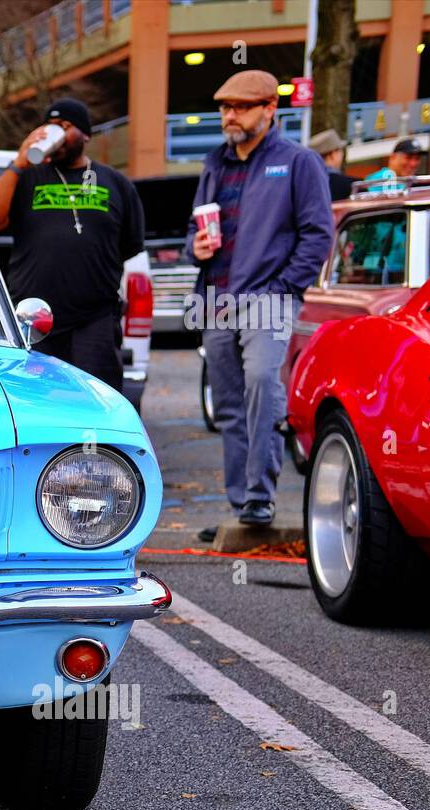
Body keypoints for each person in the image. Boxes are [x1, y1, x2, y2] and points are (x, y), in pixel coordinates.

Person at [187, 69, 333, 538]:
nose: (231, 115)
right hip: (215, 298)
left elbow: (318, 235)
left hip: (266, 299)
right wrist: (196, 248)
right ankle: (242, 507)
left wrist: (283, 288)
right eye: (226, 107)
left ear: (270, 109)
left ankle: (259, 499)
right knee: (228, 405)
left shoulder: (298, 161)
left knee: (262, 390)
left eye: (242, 107)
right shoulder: (214, 162)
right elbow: (196, 227)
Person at [0, 98, 144, 392]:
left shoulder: (115, 183)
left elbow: (130, 245)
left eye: (65, 127)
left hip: (94, 322)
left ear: (85, 134)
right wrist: (18, 163)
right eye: (51, 126)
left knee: (96, 402)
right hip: (34, 320)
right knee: (34, 401)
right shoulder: (27, 177)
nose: (57, 133)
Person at [308, 129, 354, 201]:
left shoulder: (303, 186)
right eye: (340, 150)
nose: (342, 154)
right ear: (333, 155)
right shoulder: (352, 186)